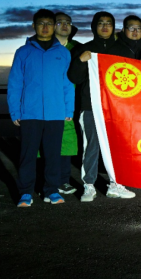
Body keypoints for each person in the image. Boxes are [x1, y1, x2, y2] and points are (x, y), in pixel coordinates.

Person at [8, 9, 74, 207]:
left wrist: (68, 109)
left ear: (54, 26)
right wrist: (15, 111)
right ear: (34, 26)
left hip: (56, 113)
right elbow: (15, 83)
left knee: (53, 155)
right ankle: (25, 193)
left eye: (49, 23)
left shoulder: (63, 53)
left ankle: (51, 191)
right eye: (41, 23)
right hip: (30, 113)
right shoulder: (23, 52)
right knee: (27, 155)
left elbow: (67, 83)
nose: (45, 27)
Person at [68, 11, 136, 202]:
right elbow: (74, 78)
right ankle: (89, 185)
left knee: (117, 147)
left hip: (117, 109)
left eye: (108, 23)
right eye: (100, 23)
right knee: (91, 146)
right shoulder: (84, 49)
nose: (105, 27)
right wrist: (80, 61)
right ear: (94, 26)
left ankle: (116, 184)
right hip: (90, 106)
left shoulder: (123, 50)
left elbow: (134, 79)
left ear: (114, 27)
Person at [52, 12, 81, 195]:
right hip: (48, 101)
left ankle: (63, 180)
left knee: (67, 141)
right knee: (47, 142)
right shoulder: (42, 46)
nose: (64, 25)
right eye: (60, 22)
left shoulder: (77, 48)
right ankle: (48, 181)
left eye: (68, 22)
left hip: (72, 102)